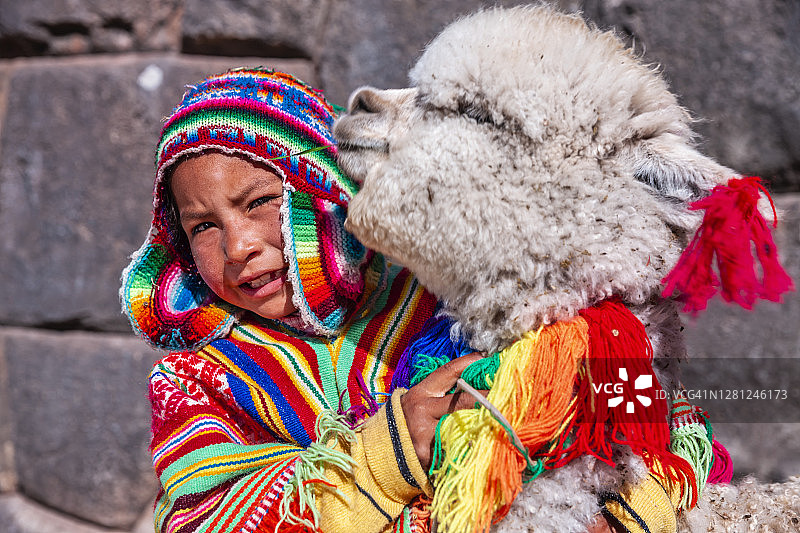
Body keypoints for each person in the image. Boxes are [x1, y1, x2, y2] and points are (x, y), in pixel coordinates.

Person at [121, 67, 659, 533]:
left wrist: (626, 516)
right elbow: (199, 518)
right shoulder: (194, 381)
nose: (238, 247)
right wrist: (391, 452)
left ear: (322, 189)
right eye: (203, 227)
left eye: (260, 202)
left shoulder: (447, 297)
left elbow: (656, 421)